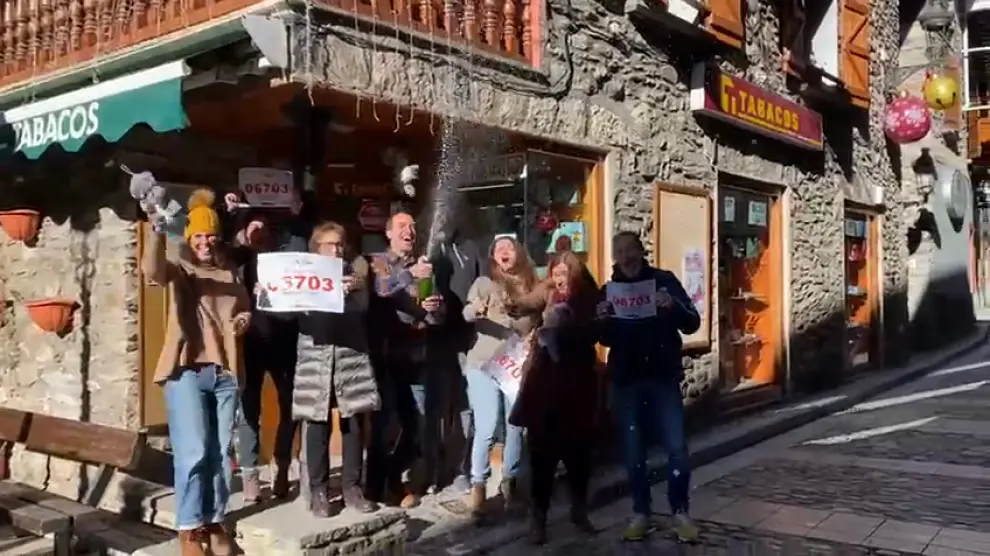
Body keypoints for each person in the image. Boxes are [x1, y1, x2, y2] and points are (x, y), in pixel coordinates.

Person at [142, 189, 251, 556]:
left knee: (221, 453)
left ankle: (215, 521)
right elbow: (152, 270)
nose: (205, 242)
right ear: (189, 238)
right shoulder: (179, 267)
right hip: (185, 370)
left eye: (210, 235)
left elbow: (242, 305)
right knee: (194, 451)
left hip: (224, 372)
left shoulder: (228, 270)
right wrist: (157, 230)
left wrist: (243, 319)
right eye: (198, 235)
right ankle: (189, 529)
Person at [597, 231, 701, 543]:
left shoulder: (663, 281)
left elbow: (692, 322)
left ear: (641, 251)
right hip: (626, 380)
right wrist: (602, 319)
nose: (625, 257)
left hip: (662, 377)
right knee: (633, 451)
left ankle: (680, 512)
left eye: (630, 250)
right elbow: (604, 339)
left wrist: (673, 306)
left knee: (676, 447)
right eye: (619, 252)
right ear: (614, 257)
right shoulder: (609, 291)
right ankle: (642, 513)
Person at [223, 188, 313, 502]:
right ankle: (250, 474)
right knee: (249, 410)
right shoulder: (240, 256)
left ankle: (281, 464)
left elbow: (304, 242)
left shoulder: (288, 252)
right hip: (251, 343)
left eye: (263, 225)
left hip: (286, 341)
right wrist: (232, 216)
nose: (258, 230)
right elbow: (222, 250)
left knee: (291, 407)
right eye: (253, 225)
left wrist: (297, 212)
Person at [508, 250, 600, 545]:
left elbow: (596, 330)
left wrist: (568, 328)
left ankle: (579, 510)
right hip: (546, 384)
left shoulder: (588, 297)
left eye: (564, 273)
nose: (559, 279)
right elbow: (527, 303)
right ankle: (539, 519)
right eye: (555, 273)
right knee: (542, 456)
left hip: (576, 383)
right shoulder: (547, 290)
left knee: (578, 455)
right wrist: (512, 306)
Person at [293, 222, 381, 517]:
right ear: (316, 249)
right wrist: (268, 293)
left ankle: (352, 487)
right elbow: (285, 314)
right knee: (316, 423)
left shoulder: (355, 276)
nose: (336, 250)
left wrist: (352, 293)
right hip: (315, 358)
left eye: (340, 244)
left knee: (353, 421)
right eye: (330, 245)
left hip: (349, 357)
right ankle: (319, 491)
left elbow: (363, 309)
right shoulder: (302, 277)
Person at [367, 211, 445, 508]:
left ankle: (394, 479)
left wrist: (435, 308)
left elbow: (435, 317)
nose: (408, 231)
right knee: (385, 427)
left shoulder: (422, 266)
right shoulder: (378, 261)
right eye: (401, 226)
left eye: (412, 226)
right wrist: (412, 274)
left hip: (417, 359)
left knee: (417, 427)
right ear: (388, 233)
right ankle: (375, 489)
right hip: (386, 358)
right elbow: (382, 289)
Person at [460, 236, 540, 522]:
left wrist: (533, 338)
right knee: (486, 427)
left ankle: (510, 483)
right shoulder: (484, 283)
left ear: (518, 253)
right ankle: (478, 487)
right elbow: (467, 313)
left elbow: (539, 321)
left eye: (509, 247)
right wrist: (476, 310)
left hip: (514, 366)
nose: (504, 251)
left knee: (515, 425)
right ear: (493, 257)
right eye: (499, 249)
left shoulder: (531, 287)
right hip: (483, 364)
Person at [431, 224, 484, 493]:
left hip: (466, 343)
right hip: (433, 343)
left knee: (466, 409)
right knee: (437, 410)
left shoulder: (471, 248)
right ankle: (436, 470)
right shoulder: (427, 247)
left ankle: (463, 468)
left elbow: (482, 287)